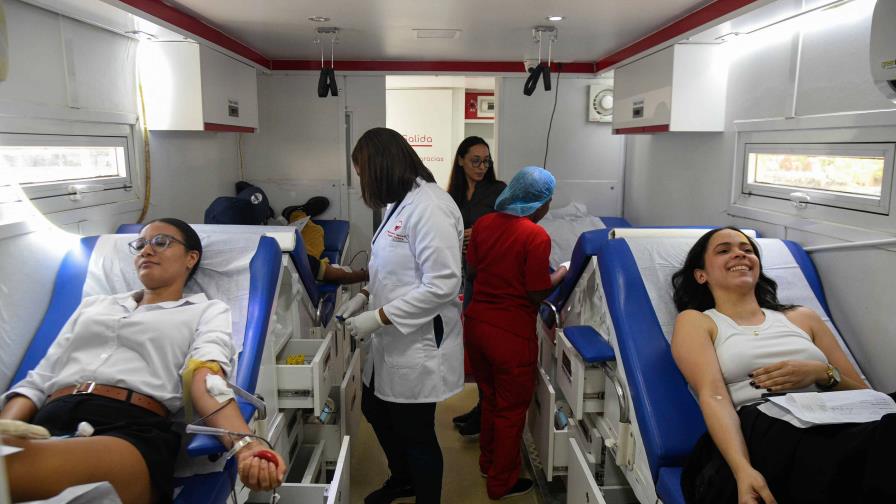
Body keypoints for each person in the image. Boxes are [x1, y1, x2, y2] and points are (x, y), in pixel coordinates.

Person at [0, 218, 285, 504]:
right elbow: (38, 381)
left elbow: (206, 381)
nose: (146, 250)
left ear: (190, 258)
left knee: (10, 467)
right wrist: (5, 427)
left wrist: (246, 444)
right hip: (47, 420)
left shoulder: (206, 310)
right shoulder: (94, 306)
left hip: (128, 429)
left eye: (161, 242)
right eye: (140, 245)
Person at [671, 227, 895, 504]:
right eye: (724, 250)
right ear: (701, 275)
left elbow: (865, 396)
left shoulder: (803, 317)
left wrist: (820, 373)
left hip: (830, 417)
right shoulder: (698, 321)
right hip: (764, 424)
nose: (740, 254)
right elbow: (713, 396)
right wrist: (743, 471)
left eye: (747, 249)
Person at [336, 127, 464, 504]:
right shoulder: (401, 202)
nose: (362, 182)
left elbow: (442, 284)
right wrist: (363, 297)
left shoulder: (431, 207)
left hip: (418, 341)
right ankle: (404, 479)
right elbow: (392, 269)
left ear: (381, 167)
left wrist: (378, 317)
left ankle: (423, 494)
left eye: (363, 173)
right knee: (375, 408)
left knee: (416, 433)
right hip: (391, 337)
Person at [463, 166, 568, 500]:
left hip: (476, 326)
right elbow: (538, 292)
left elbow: (473, 271)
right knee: (510, 411)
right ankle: (501, 483)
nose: (548, 207)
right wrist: (562, 273)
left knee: (490, 399)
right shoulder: (535, 236)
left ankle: (488, 463)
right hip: (510, 335)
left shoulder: (483, 224)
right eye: (548, 201)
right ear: (538, 202)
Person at [446, 136, 507, 440]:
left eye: (486, 161)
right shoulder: (452, 196)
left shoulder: (498, 191)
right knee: (473, 342)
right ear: (461, 160)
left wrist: (479, 231)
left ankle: (486, 412)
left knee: (485, 345)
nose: (482, 167)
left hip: (492, 274)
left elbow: (509, 227)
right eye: (475, 161)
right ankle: (482, 406)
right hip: (467, 273)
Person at [282, 198, 369, 285]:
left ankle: (296, 214)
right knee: (315, 232)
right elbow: (340, 276)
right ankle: (296, 214)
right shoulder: (304, 263)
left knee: (315, 232)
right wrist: (367, 275)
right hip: (298, 266)